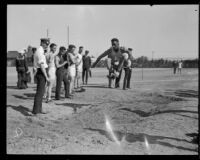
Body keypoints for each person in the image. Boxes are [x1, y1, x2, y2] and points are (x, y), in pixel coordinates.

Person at [32, 38, 50, 115]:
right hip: (41, 72)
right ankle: (35, 111)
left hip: (41, 72)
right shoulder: (39, 51)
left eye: (48, 44)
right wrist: (46, 77)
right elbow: (42, 66)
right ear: (42, 43)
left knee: (41, 92)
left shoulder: (41, 51)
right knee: (39, 93)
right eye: (46, 44)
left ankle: (39, 109)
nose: (47, 46)